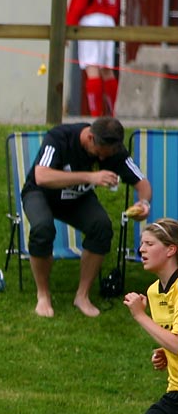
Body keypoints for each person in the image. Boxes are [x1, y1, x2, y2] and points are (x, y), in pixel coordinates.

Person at [22, 115, 152, 318]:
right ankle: (43, 295)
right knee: (42, 228)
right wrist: (90, 177)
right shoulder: (59, 137)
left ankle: (82, 296)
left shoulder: (112, 151)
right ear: (90, 138)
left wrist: (143, 203)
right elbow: (42, 176)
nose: (101, 159)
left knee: (102, 227)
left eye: (106, 156)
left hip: (76, 198)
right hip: (40, 193)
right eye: (99, 154)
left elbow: (142, 183)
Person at [116, 218, 178, 414]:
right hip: (174, 395)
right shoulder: (155, 292)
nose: (141, 249)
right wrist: (164, 353)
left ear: (170, 249)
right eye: (141, 243)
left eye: (149, 244)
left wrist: (140, 317)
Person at [67, 0, 122, 118]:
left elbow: (79, 1)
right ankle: (115, 114)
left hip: (91, 20)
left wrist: (69, 25)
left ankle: (96, 115)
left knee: (92, 68)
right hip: (108, 20)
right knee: (107, 69)